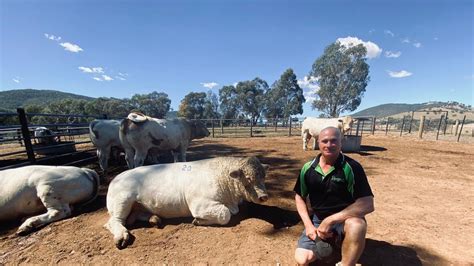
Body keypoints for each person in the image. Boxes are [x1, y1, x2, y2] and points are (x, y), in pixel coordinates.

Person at [294, 126, 374, 266]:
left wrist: (329, 221)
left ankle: (346, 263)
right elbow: (299, 197)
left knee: (357, 225)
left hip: (345, 220)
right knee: (302, 259)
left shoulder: (352, 167)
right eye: (324, 141)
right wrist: (308, 225)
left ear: (341, 142)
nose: (329, 145)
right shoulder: (307, 168)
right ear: (318, 143)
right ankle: (334, 241)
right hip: (318, 220)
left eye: (334, 141)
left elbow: (367, 203)